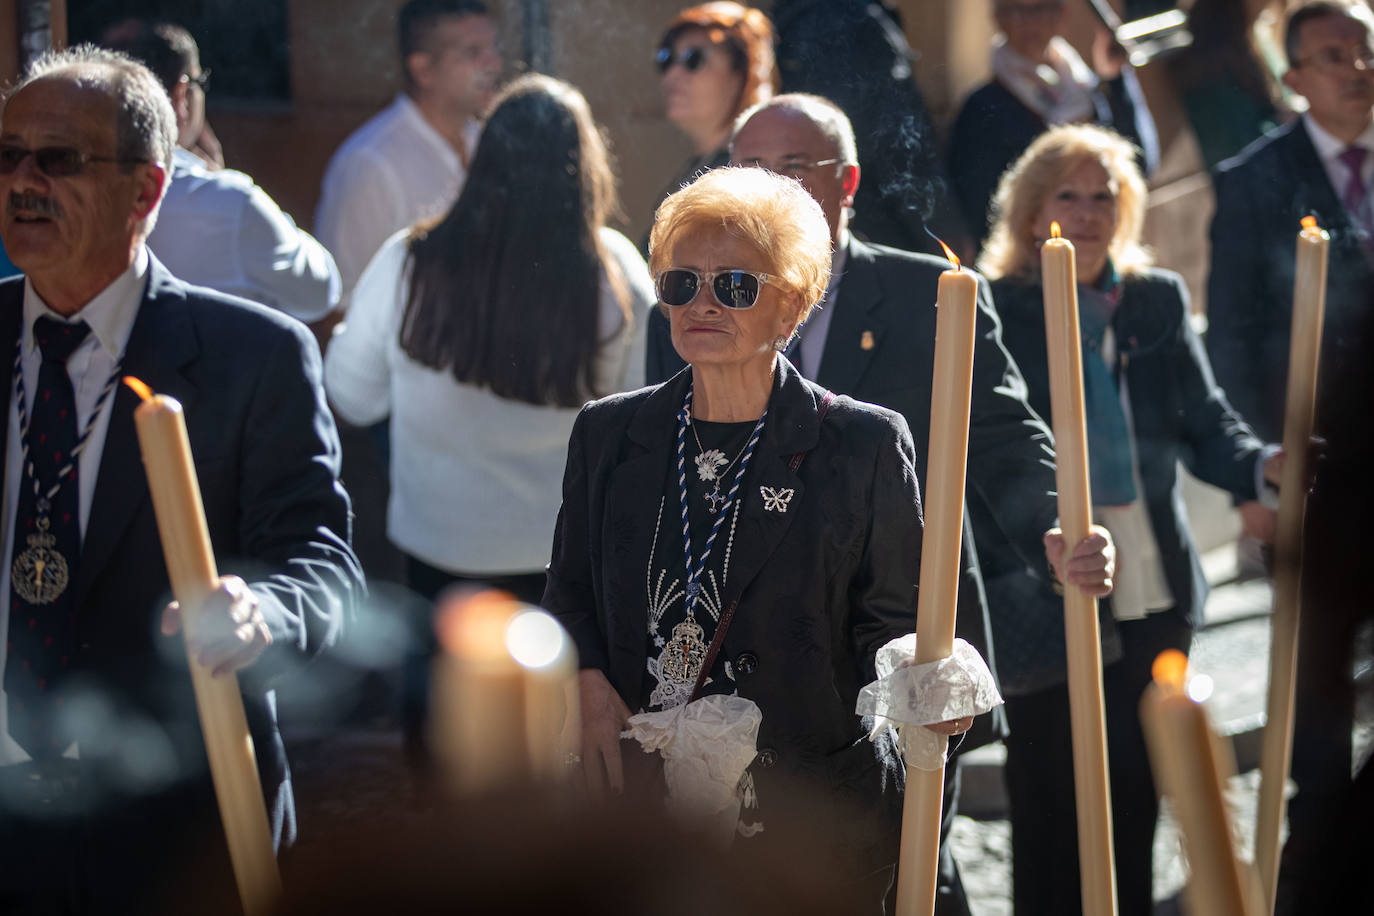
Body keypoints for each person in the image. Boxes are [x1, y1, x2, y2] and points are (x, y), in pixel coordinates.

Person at [645, 93, 1115, 914]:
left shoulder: (925, 291)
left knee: (910, 863)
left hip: (900, 625)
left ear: (848, 182)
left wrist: (1056, 521)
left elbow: (1004, 433)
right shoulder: (695, 300)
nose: (769, 188)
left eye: (794, 167)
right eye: (750, 167)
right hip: (753, 643)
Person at [0, 45, 362, 912]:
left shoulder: (253, 355)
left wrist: (260, 610)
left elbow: (321, 566)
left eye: (58, 159)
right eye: (6, 155)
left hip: (171, 817)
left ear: (147, 190)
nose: (21, 182)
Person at [980, 123, 1277, 916]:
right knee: (1049, 789)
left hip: (1150, 577)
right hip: (1048, 581)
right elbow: (992, 452)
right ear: (1031, 212)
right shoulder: (995, 309)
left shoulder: (1154, 299)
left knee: (1138, 786)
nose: (1087, 213)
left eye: (1104, 196)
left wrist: (1262, 466)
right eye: (1067, 196)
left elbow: (1204, 421)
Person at [324, 74, 651, 760]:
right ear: (585, 165)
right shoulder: (616, 270)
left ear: (484, 158)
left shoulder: (408, 260)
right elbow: (639, 418)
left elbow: (349, 396)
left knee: (446, 750)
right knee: (554, 757)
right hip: (567, 564)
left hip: (439, 554)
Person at [1207, 1, 1374, 898]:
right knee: (1316, 677)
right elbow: (1234, 334)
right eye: (1333, 55)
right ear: (1296, 76)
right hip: (1319, 470)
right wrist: (1261, 463)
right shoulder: (1256, 180)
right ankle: (1318, 858)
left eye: (1365, 50)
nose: (1357, 68)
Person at [102, 20, 341, 324]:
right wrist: (218, 181)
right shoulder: (232, 203)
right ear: (182, 92)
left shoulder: (85, 189)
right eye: (201, 84)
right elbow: (320, 292)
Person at [315, 0, 501, 301]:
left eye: (493, 48)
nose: (494, 64)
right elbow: (339, 302)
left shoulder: (487, 141)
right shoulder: (370, 163)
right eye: (473, 52)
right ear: (423, 70)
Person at [949, 0, 1159, 250]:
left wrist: (1116, 78)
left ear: (1062, 15)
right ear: (999, 18)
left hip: (1094, 251)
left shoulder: (1085, 90)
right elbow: (978, 208)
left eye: (1041, 9)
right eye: (1017, 10)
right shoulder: (983, 107)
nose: (1030, 22)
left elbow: (1138, 165)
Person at [770, 0, 969, 256]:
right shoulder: (846, 19)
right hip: (874, 222)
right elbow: (893, 138)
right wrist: (943, 227)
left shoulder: (805, 16)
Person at [647, 2, 776, 245]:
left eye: (693, 59)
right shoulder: (699, 167)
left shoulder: (749, 175)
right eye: (666, 59)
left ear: (747, 70)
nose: (672, 75)